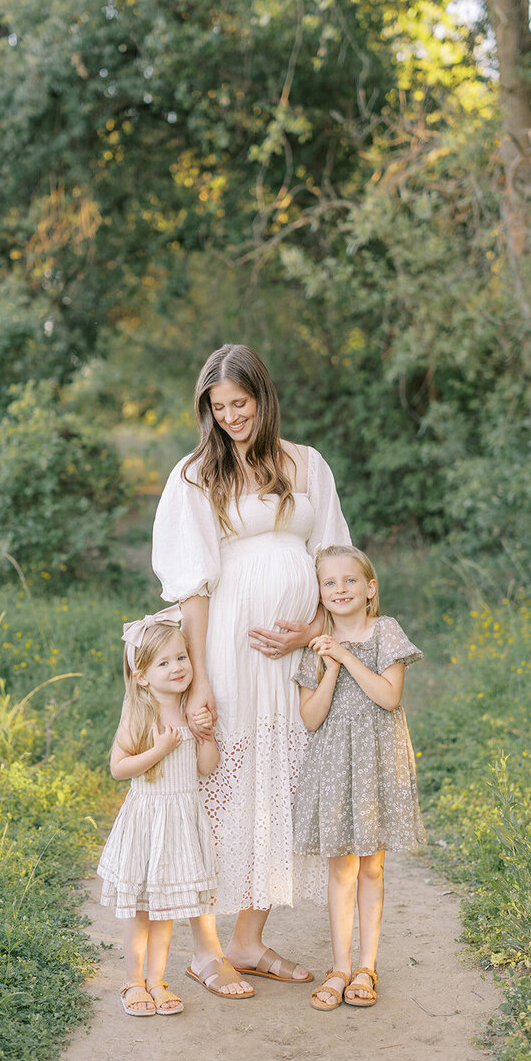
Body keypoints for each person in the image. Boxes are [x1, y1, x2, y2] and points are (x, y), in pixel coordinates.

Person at [152, 344, 351, 998]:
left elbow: (335, 557)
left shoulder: (307, 464)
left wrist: (316, 627)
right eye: (219, 407)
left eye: (241, 403)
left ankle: (248, 940)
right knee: (217, 786)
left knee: (281, 786)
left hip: (291, 655)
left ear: (263, 398)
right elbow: (194, 586)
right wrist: (200, 677)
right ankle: (205, 950)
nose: (232, 417)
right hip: (229, 650)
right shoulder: (196, 476)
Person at [292, 545, 425, 1010]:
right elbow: (310, 719)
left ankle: (367, 966)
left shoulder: (385, 631)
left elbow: (388, 696)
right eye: (330, 583)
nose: (340, 589)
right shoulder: (318, 645)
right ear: (320, 595)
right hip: (333, 763)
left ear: (370, 589)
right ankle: (340, 965)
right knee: (341, 866)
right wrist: (330, 666)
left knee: (372, 864)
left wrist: (347, 658)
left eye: (350, 580)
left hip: (377, 761)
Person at [97, 605, 223, 1016]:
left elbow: (206, 769)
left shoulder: (192, 709)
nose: (176, 668)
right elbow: (119, 768)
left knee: (165, 908)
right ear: (142, 675)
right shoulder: (140, 711)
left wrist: (204, 736)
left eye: (181, 658)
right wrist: (158, 750)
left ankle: (158, 980)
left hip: (182, 822)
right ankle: (133, 982)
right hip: (149, 820)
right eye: (164, 662)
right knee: (141, 911)